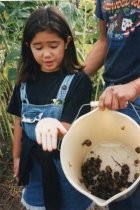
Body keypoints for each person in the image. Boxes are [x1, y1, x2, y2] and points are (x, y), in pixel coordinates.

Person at [7, 6, 94, 210]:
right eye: (38, 47)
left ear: (67, 43)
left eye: (53, 45)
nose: (46, 54)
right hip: (35, 168)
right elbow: (18, 123)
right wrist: (17, 158)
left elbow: (71, 126)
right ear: (28, 46)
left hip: (68, 168)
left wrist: (52, 125)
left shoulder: (79, 81)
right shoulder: (24, 83)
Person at [84, 0, 140, 210]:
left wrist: (134, 87)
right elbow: (103, 41)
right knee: (121, 194)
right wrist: (74, 79)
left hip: (135, 92)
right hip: (114, 94)